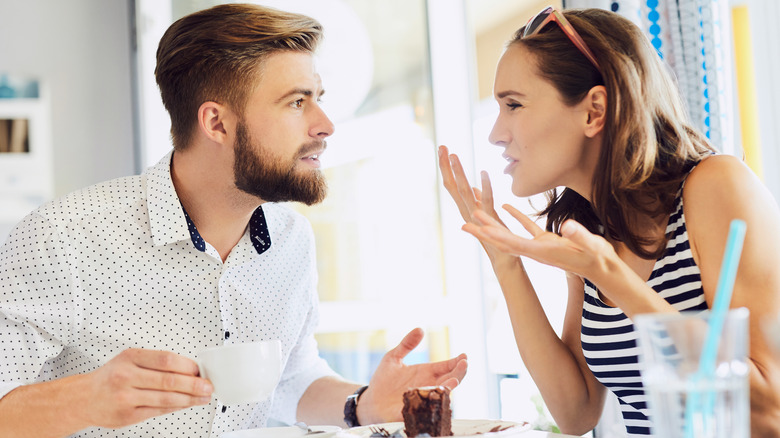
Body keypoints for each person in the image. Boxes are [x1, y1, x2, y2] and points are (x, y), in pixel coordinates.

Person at [0, 4, 467, 437]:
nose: (325, 124)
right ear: (216, 123)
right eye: (296, 102)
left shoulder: (291, 240)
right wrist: (84, 400)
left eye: (318, 98)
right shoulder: (63, 237)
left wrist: (361, 404)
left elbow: (289, 377)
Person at [439, 6, 780, 437]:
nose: (496, 133)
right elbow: (576, 411)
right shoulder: (590, 227)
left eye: (513, 105)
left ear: (593, 110)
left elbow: (770, 409)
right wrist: (505, 260)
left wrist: (610, 274)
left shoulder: (715, 186)